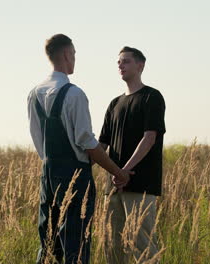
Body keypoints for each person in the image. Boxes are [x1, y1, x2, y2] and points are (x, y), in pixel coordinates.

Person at [27, 34, 133, 264]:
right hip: (76, 178)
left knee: (48, 242)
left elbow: (37, 139)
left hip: (47, 176)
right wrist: (119, 172)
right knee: (76, 242)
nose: (74, 59)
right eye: (74, 54)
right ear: (66, 54)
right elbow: (89, 144)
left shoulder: (34, 94)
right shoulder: (75, 94)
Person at [100, 46, 166, 263]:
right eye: (119, 62)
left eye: (126, 61)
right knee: (112, 245)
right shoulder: (114, 104)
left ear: (140, 65)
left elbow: (149, 138)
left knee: (142, 244)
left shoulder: (151, 97)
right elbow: (101, 144)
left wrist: (125, 171)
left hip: (140, 183)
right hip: (113, 187)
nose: (121, 65)